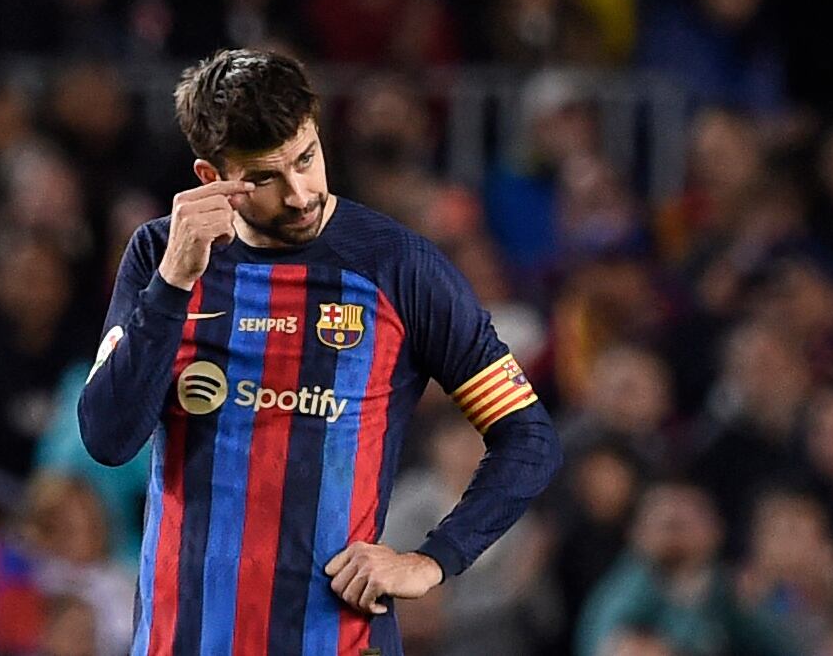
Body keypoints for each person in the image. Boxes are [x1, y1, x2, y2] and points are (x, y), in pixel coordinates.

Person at [77, 49, 562, 656]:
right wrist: (173, 284)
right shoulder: (161, 256)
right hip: (183, 640)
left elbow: (530, 438)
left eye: (306, 159)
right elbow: (108, 438)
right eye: (264, 178)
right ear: (211, 177)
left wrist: (432, 560)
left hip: (337, 640)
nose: (301, 193)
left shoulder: (399, 267)